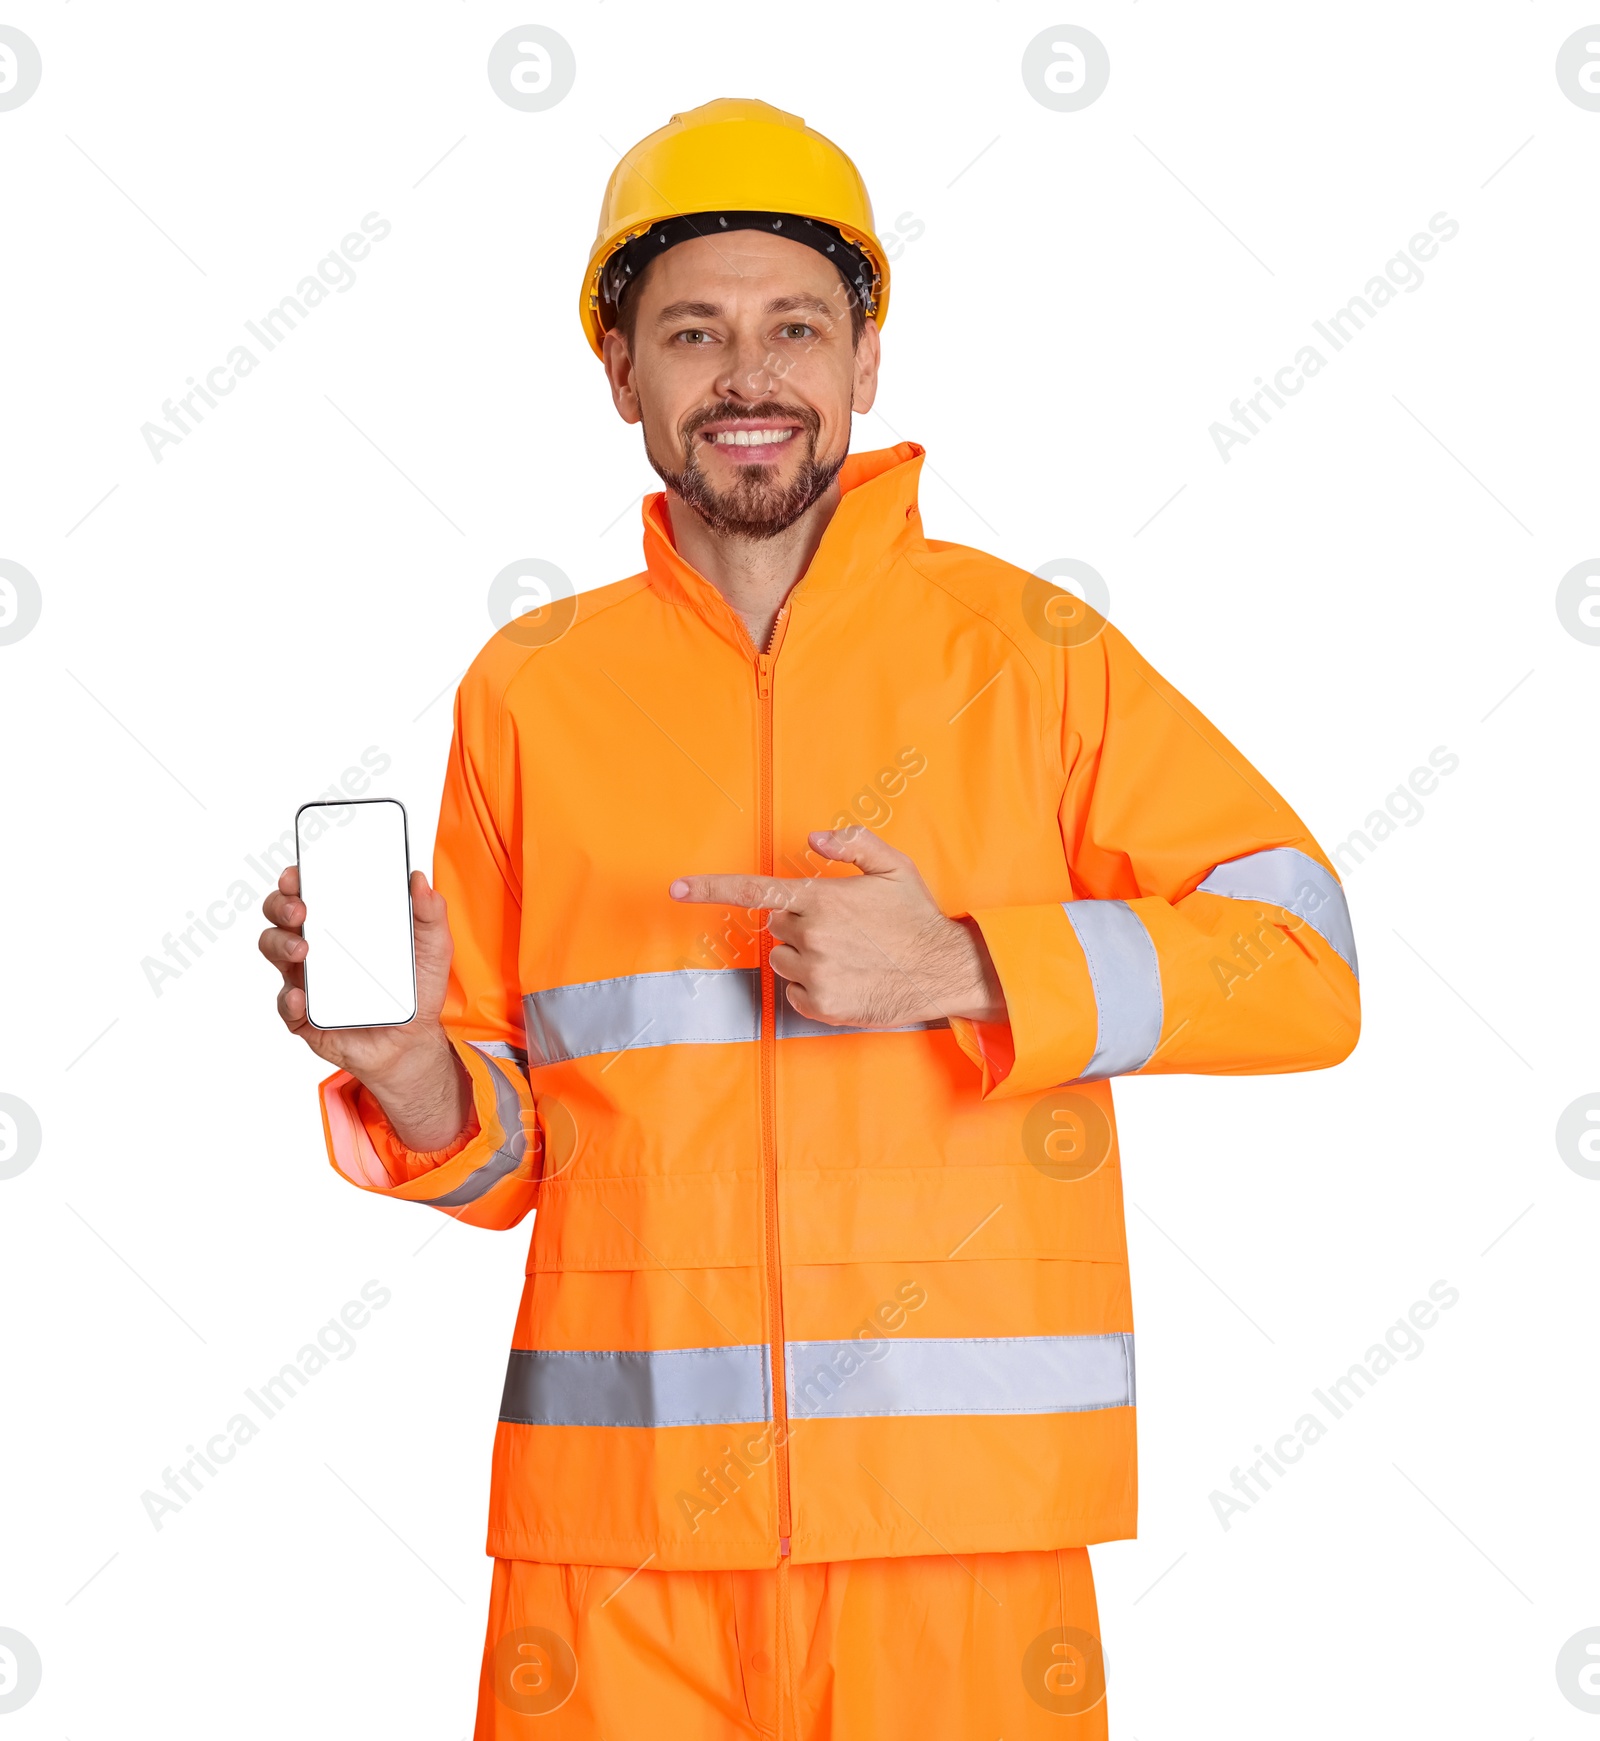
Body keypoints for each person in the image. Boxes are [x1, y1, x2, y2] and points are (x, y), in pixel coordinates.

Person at [259, 98, 1359, 1739]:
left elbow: (1309, 963)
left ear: (863, 364)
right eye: (692, 334)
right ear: (622, 375)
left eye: (796, 328)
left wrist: (971, 963)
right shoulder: (532, 693)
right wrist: (412, 1061)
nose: (748, 376)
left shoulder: (1032, 653)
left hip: (958, 1547)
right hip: (613, 1562)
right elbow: (509, 1153)